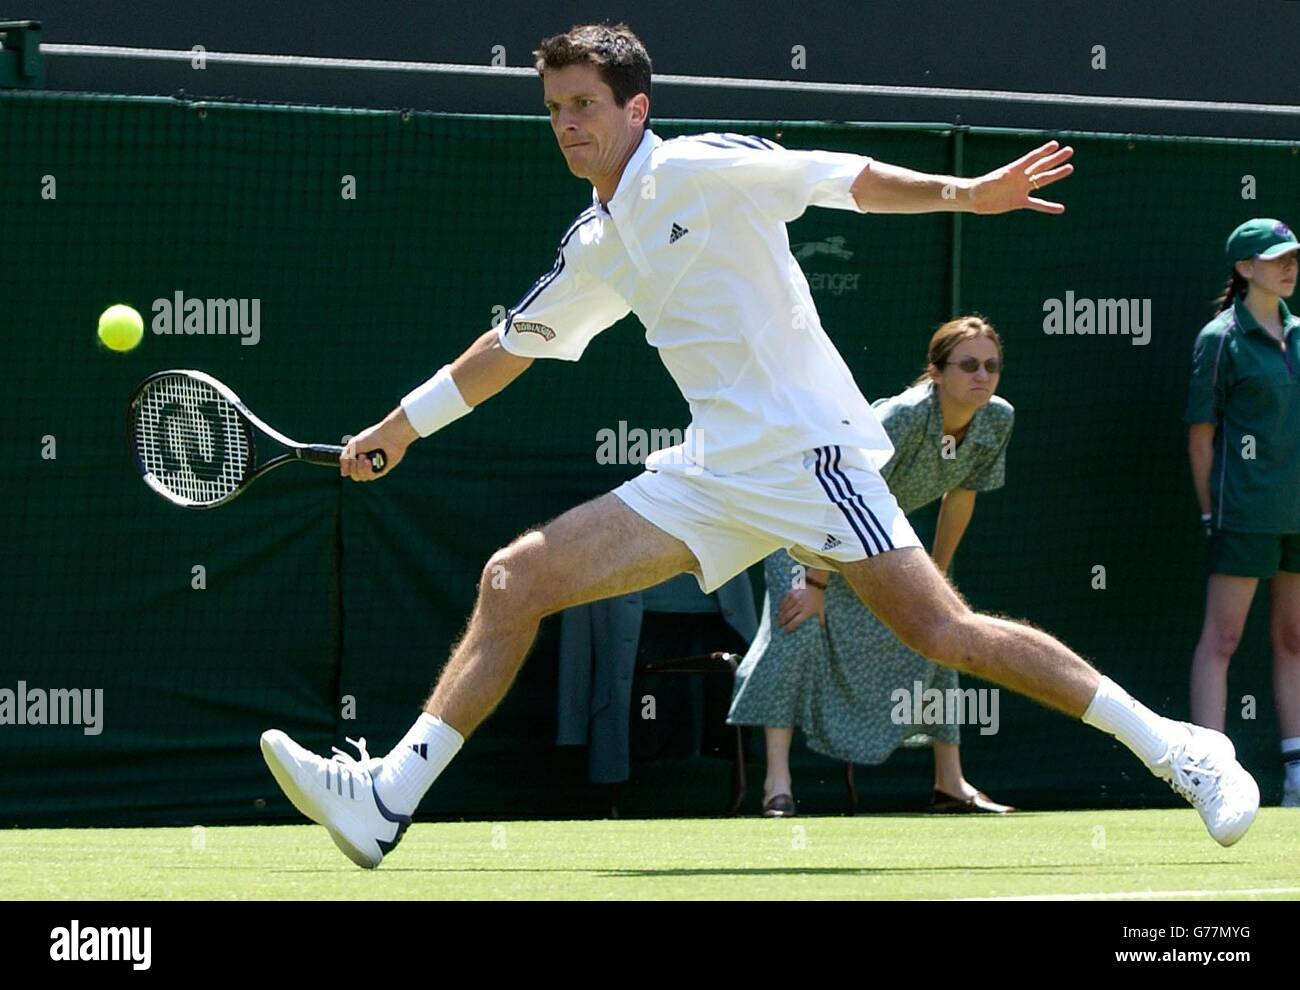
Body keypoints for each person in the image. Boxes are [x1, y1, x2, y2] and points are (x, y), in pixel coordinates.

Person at [257, 22, 1258, 869]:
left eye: (584, 105)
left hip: (815, 457)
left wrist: (963, 194)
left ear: (634, 109)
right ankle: (386, 796)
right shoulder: (597, 242)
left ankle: (1179, 749)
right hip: (714, 470)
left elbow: (838, 178)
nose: (566, 123)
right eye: (554, 106)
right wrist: (396, 428)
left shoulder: (701, 169)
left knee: (943, 637)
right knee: (515, 579)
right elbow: (507, 348)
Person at [730, 317, 1015, 816]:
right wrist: (816, 582)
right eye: (968, 365)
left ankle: (951, 783)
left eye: (991, 366)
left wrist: (938, 574)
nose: (982, 376)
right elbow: (835, 492)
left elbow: (960, 496)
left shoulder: (996, 419)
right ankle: (778, 784)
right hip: (808, 532)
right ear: (937, 372)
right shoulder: (902, 418)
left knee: (943, 631)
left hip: (878, 543)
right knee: (797, 631)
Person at [1186, 217, 1300, 808]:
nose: (1289, 266)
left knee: (1295, 637)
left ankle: (1297, 775)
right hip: (1244, 513)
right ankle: (1210, 775)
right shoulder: (1219, 339)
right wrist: (1214, 514)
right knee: (1223, 639)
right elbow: (1201, 438)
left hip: (1297, 515)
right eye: (1276, 258)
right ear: (1245, 268)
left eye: (1293, 257)